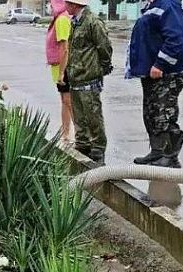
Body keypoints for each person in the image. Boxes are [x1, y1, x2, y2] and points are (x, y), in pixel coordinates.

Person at [127, 0, 183, 168]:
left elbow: (176, 39)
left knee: (164, 113)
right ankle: (157, 151)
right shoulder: (153, 6)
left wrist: (160, 64)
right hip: (152, 72)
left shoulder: (168, 5)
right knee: (152, 112)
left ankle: (169, 156)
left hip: (167, 72)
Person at [64, 0, 113, 162]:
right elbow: (72, 49)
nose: (65, 6)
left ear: (75, 5)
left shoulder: (92, 22)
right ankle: (83, 142)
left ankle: (98, 145)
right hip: (75, 77)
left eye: (67, 3)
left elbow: (104, 47)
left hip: (89, 76)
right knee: (79, 114)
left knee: (92, 112)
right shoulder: (75, 23)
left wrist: (102, 67)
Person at [46, 0, 73, 143]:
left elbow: (65, 48)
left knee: (68, 101)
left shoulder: (62, 19)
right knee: (64, 100)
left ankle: (81, 136)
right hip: (60, 67)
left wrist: (62, 72)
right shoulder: (59, 18)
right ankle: (66, 133)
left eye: (51, 5)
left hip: (64, 67)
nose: (49, 7)